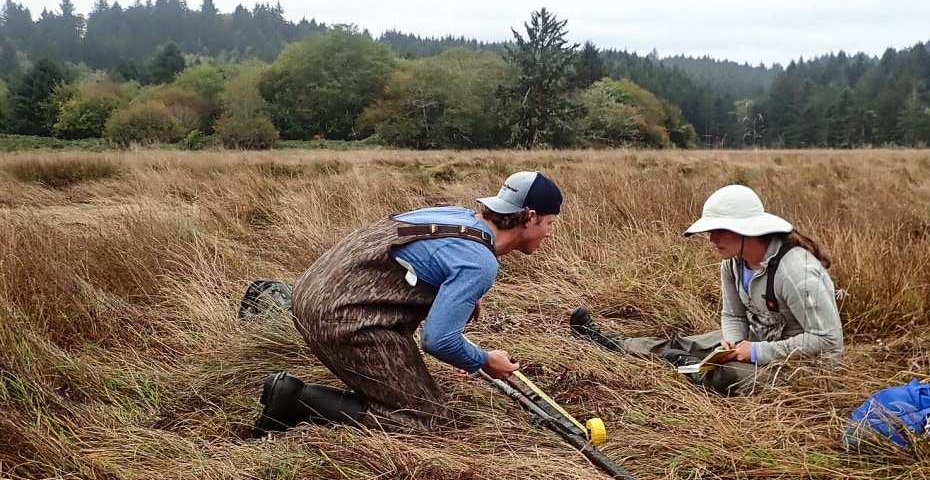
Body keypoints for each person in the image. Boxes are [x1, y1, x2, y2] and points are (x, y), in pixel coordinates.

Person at [252, 170, 562, 437]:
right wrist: (483, 360)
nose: (549, 234)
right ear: (530, 217)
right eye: (549, 223)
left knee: (417, 401)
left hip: (311, 291)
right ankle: (294, 400)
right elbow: (438, 341)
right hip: (339, 315)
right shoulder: (480, 261)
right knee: (427, 423)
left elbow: (413, 261)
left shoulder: (460, 218)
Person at [570, 184, 842, 395]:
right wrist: (734, 343)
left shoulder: (797, 271)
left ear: (746, 229)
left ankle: (688, 367)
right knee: (683, 343)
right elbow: (734, 315)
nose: (712, 239)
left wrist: (757, 352)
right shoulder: (733, 264)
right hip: (758, 345)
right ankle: (606, 340)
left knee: (727, 373)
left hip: (805, 370)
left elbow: (827, 339)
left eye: (720, 230)